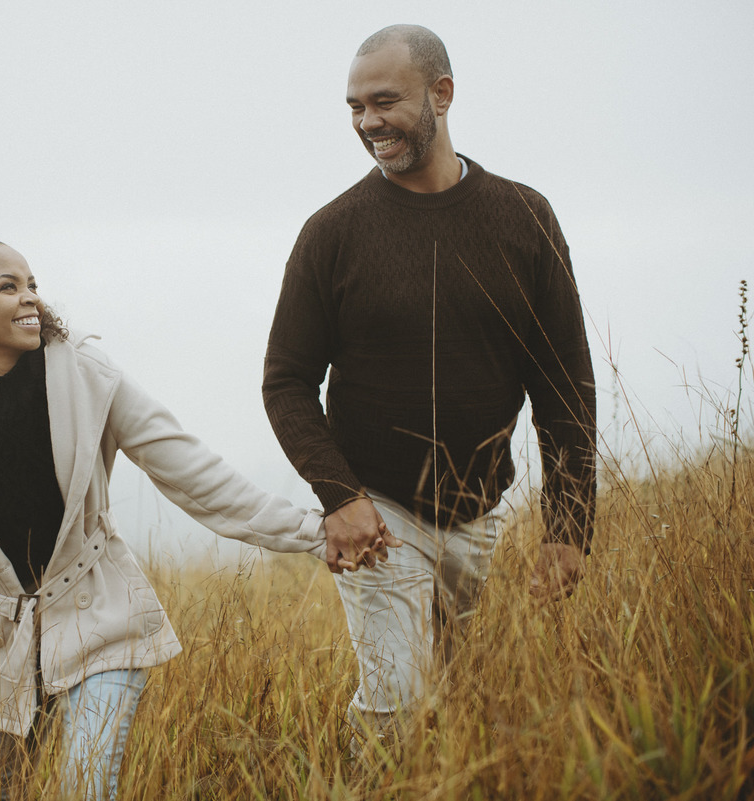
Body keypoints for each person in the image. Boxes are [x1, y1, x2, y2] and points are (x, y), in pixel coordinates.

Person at [0, 239, 329, 800]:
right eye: (8, 286)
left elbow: (190, 471)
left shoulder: (84, 374)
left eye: (32, 284)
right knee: (0, 791)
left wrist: (314, 533)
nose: (30, 299)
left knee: (85, 787)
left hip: (100, 615)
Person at [262, 24, 596, 740]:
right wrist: (340, 497)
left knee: (467, 700)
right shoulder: (332, 233)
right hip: (378, 514)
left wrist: (569, 526)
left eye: (384, 100)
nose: (366, 122)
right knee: (397, 708)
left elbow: (565, 382)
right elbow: (286, 381)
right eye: (354, 106)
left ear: (442, 94)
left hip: (480, 512)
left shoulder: (524, 217)